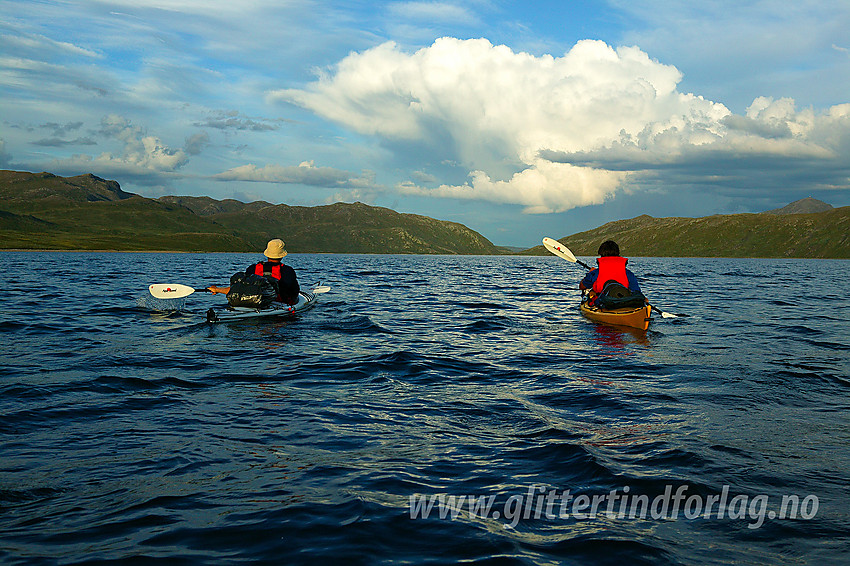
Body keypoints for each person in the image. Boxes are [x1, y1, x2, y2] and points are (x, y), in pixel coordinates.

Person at [208, 239, 300, 305]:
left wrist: (217, 289)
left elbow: (241, 288)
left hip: (253, 302)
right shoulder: (288, 270)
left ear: (267, 254)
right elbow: (295, 292)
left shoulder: (252, 268)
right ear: (282, 255)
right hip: (278, 305)